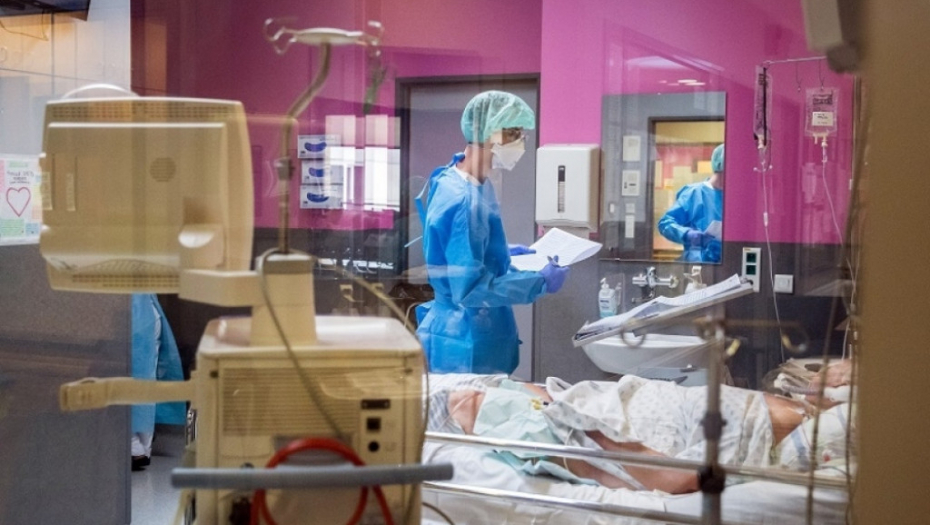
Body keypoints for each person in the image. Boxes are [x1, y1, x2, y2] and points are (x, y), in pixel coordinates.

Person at [433, 363, 853, 494]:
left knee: (484, 397)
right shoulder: (551, 433)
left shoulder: (534, 413)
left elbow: (676, 476)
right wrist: (588, 426)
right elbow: (672, 475)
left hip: (593, 421)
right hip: (744, 429)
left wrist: (585, 422)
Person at [415, 91, 570, 374]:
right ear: (490, 136)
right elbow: (469, 290)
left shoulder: (460, 177)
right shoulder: (464, 200)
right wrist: (539, 281)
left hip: (466, 327)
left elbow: (455, 247)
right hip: (464, 337)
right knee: (470, 403)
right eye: (516, 135)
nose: (522, 143)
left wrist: (497, 252)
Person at [130, 294, 186, 470]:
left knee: (132, 384)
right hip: (147, 312)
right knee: (145, 382)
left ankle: (135, 448)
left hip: (136, 317)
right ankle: (142, 448)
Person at [658, 144, 725, 263]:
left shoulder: (734, 198)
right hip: (697, 265)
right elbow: (665, 223)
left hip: (727, 264)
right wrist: (687, 234)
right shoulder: (694, 193)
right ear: (720, 167)